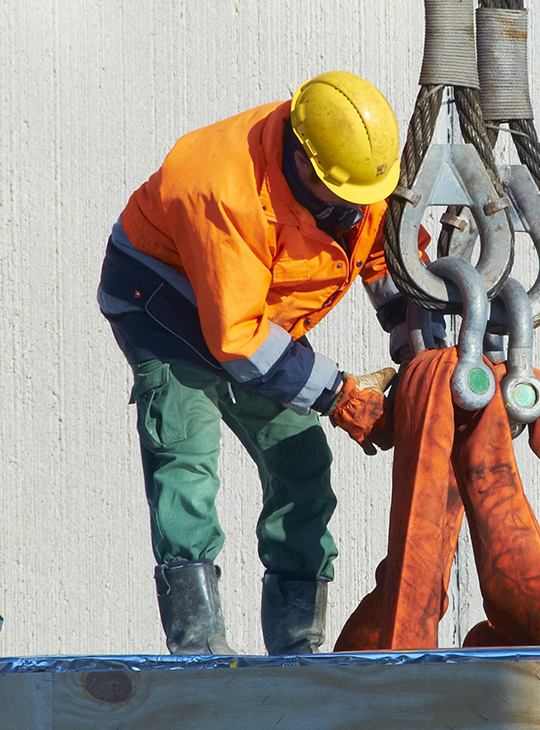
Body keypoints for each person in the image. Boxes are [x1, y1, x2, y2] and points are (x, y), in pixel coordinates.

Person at [98, 71, 409, 656]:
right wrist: (339, 395)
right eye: (341, 198)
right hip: (162, 303)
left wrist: (412, 341)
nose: (353, 211)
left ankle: (297, 651)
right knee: (186, 464)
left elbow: (379, 259)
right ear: (298, 158)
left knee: (302, 466)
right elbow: (238, 341)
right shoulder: (224, 189)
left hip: (249, 310)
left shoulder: (353, 169)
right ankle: (199, 649)